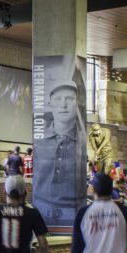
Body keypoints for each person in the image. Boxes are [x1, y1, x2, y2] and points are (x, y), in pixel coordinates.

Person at [33, 72, 84, 226]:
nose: (63, 104)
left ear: (77, 103)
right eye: (58, 99)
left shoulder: (83, 142)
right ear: (50, 104)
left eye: (69, 99)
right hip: (40, 210)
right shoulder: (37, 142)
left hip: (73, 213)